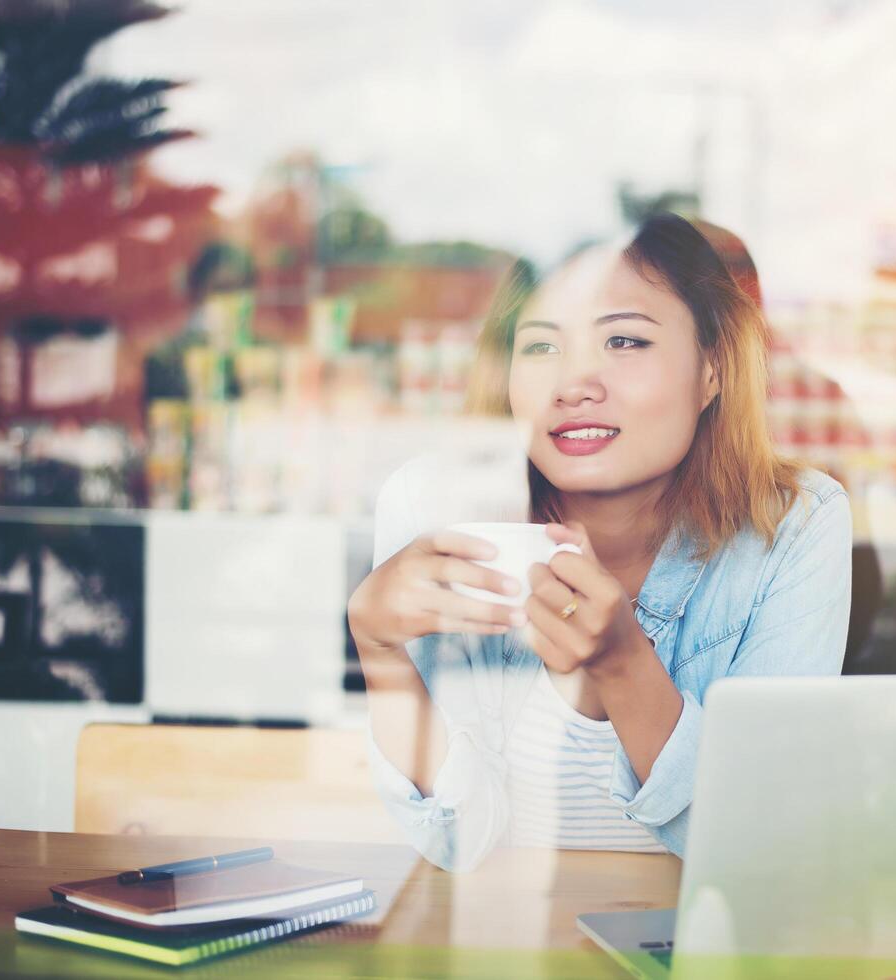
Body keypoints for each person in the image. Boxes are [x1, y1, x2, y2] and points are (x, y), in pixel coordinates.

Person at [347, 213, 852, 871]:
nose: (574, 383)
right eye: (540, 347)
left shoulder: (791, 525)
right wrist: (379, 649)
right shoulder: (432, 506)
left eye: (623, 341)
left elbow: (759, 843)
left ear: (712, 369)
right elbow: (457, 836)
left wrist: (623, 665)